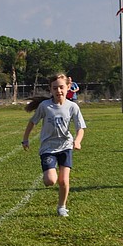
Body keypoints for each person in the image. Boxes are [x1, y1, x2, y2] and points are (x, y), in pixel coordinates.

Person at [22, 72, 86, 217]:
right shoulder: (45, 106)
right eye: (55, 88)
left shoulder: (73, 107)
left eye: (61, 87)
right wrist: (25, 139)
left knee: (64, 180)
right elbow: (32, 122)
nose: (59, 91)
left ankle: (62, 207)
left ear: (68, 87)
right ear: (50, 90)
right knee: (51, 180)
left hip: (66, 146)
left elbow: (80, 128)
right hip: (48, 148)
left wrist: (77, 141)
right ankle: (49, 174)